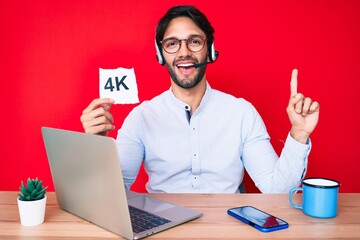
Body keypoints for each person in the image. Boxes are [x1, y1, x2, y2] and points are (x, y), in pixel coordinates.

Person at [80, 5, 319, 193]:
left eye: (194, 41)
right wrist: (96, 146)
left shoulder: (242, 113)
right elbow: (112, 193)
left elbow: (277, 191)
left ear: (210, 49)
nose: (184, 52)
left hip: (227, 227)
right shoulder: (141, 118)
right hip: (162, 229)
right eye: (172, 44)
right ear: (160, 54)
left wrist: (299, 134)